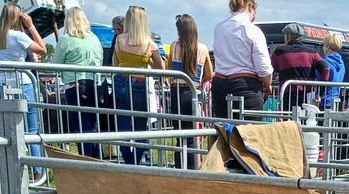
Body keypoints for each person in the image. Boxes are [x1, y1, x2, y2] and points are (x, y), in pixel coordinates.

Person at [0, 3, 46, 173]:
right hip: (23, 82)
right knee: (32, 129)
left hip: (1, 83)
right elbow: (41, 49)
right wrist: (31, 26)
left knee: (8, 127)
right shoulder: (19, 36)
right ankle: (37, 172)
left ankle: (10, 169)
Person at [110, 5, 162, 164]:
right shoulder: (149, 43)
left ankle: (128, 161)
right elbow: (161, 67)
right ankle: (136, 161)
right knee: (141, 129)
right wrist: (148, 63)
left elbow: (114, 64)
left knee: (123, 128)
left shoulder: (119, 39)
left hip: (120, 81)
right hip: (139, 83)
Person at [53, 6, 103, 159]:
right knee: (93, 125)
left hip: (74, 85)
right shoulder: (94, 38)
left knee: (81, 125)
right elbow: (100, 60)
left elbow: (55, 63)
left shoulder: (66, 39)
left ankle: (85, 159)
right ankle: (96, 158)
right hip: (94, 84)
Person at [211, 0, 271, 119]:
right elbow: (263, 68)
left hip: (220, 86)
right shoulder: (253, 30)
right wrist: (267, 85)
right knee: (249, 134)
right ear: (250, 6)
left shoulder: (219, 28)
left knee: (224, 132)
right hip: (246, 87)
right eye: (254, 12)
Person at [167, 13, 212, 168]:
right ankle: (192, 168)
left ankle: (180, 167)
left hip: (176, 92)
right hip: (194, 92)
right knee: (192, 134)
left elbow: (169, 68)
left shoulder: (174, 46)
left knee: (179, 133)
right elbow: (209, 74)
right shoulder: (203, 48)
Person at [271, 22, 329, 109]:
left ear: (287, 36)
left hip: (288, 94)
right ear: (301, 37)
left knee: (289, 120)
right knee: (306, 120)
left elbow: (268, 69)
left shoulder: (280, 52)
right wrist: (320, 93)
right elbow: (325, 69)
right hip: (308, 95)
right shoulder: (312, 52)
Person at [320, 32, 345, 110]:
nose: (323, 47)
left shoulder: (324, 62)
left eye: (323, 45)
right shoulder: (341, 64)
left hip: (323, 101)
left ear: (328, 46)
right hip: (335, 101)